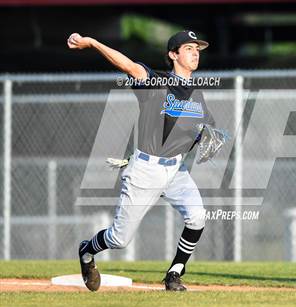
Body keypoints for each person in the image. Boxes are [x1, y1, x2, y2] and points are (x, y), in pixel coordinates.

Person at [67, 30, 213, 292]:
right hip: (146, 169)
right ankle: (86, 251)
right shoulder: (156, 83)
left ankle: (174, 274)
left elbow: (198, 131)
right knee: (119, 239)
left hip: (176, 170)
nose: (195, 52)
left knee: (197, 217)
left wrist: (206, 135)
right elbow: (129, 65)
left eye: (197, 49)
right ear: (173, 54)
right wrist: (93, 42)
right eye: (189, 48)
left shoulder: (197, 94)